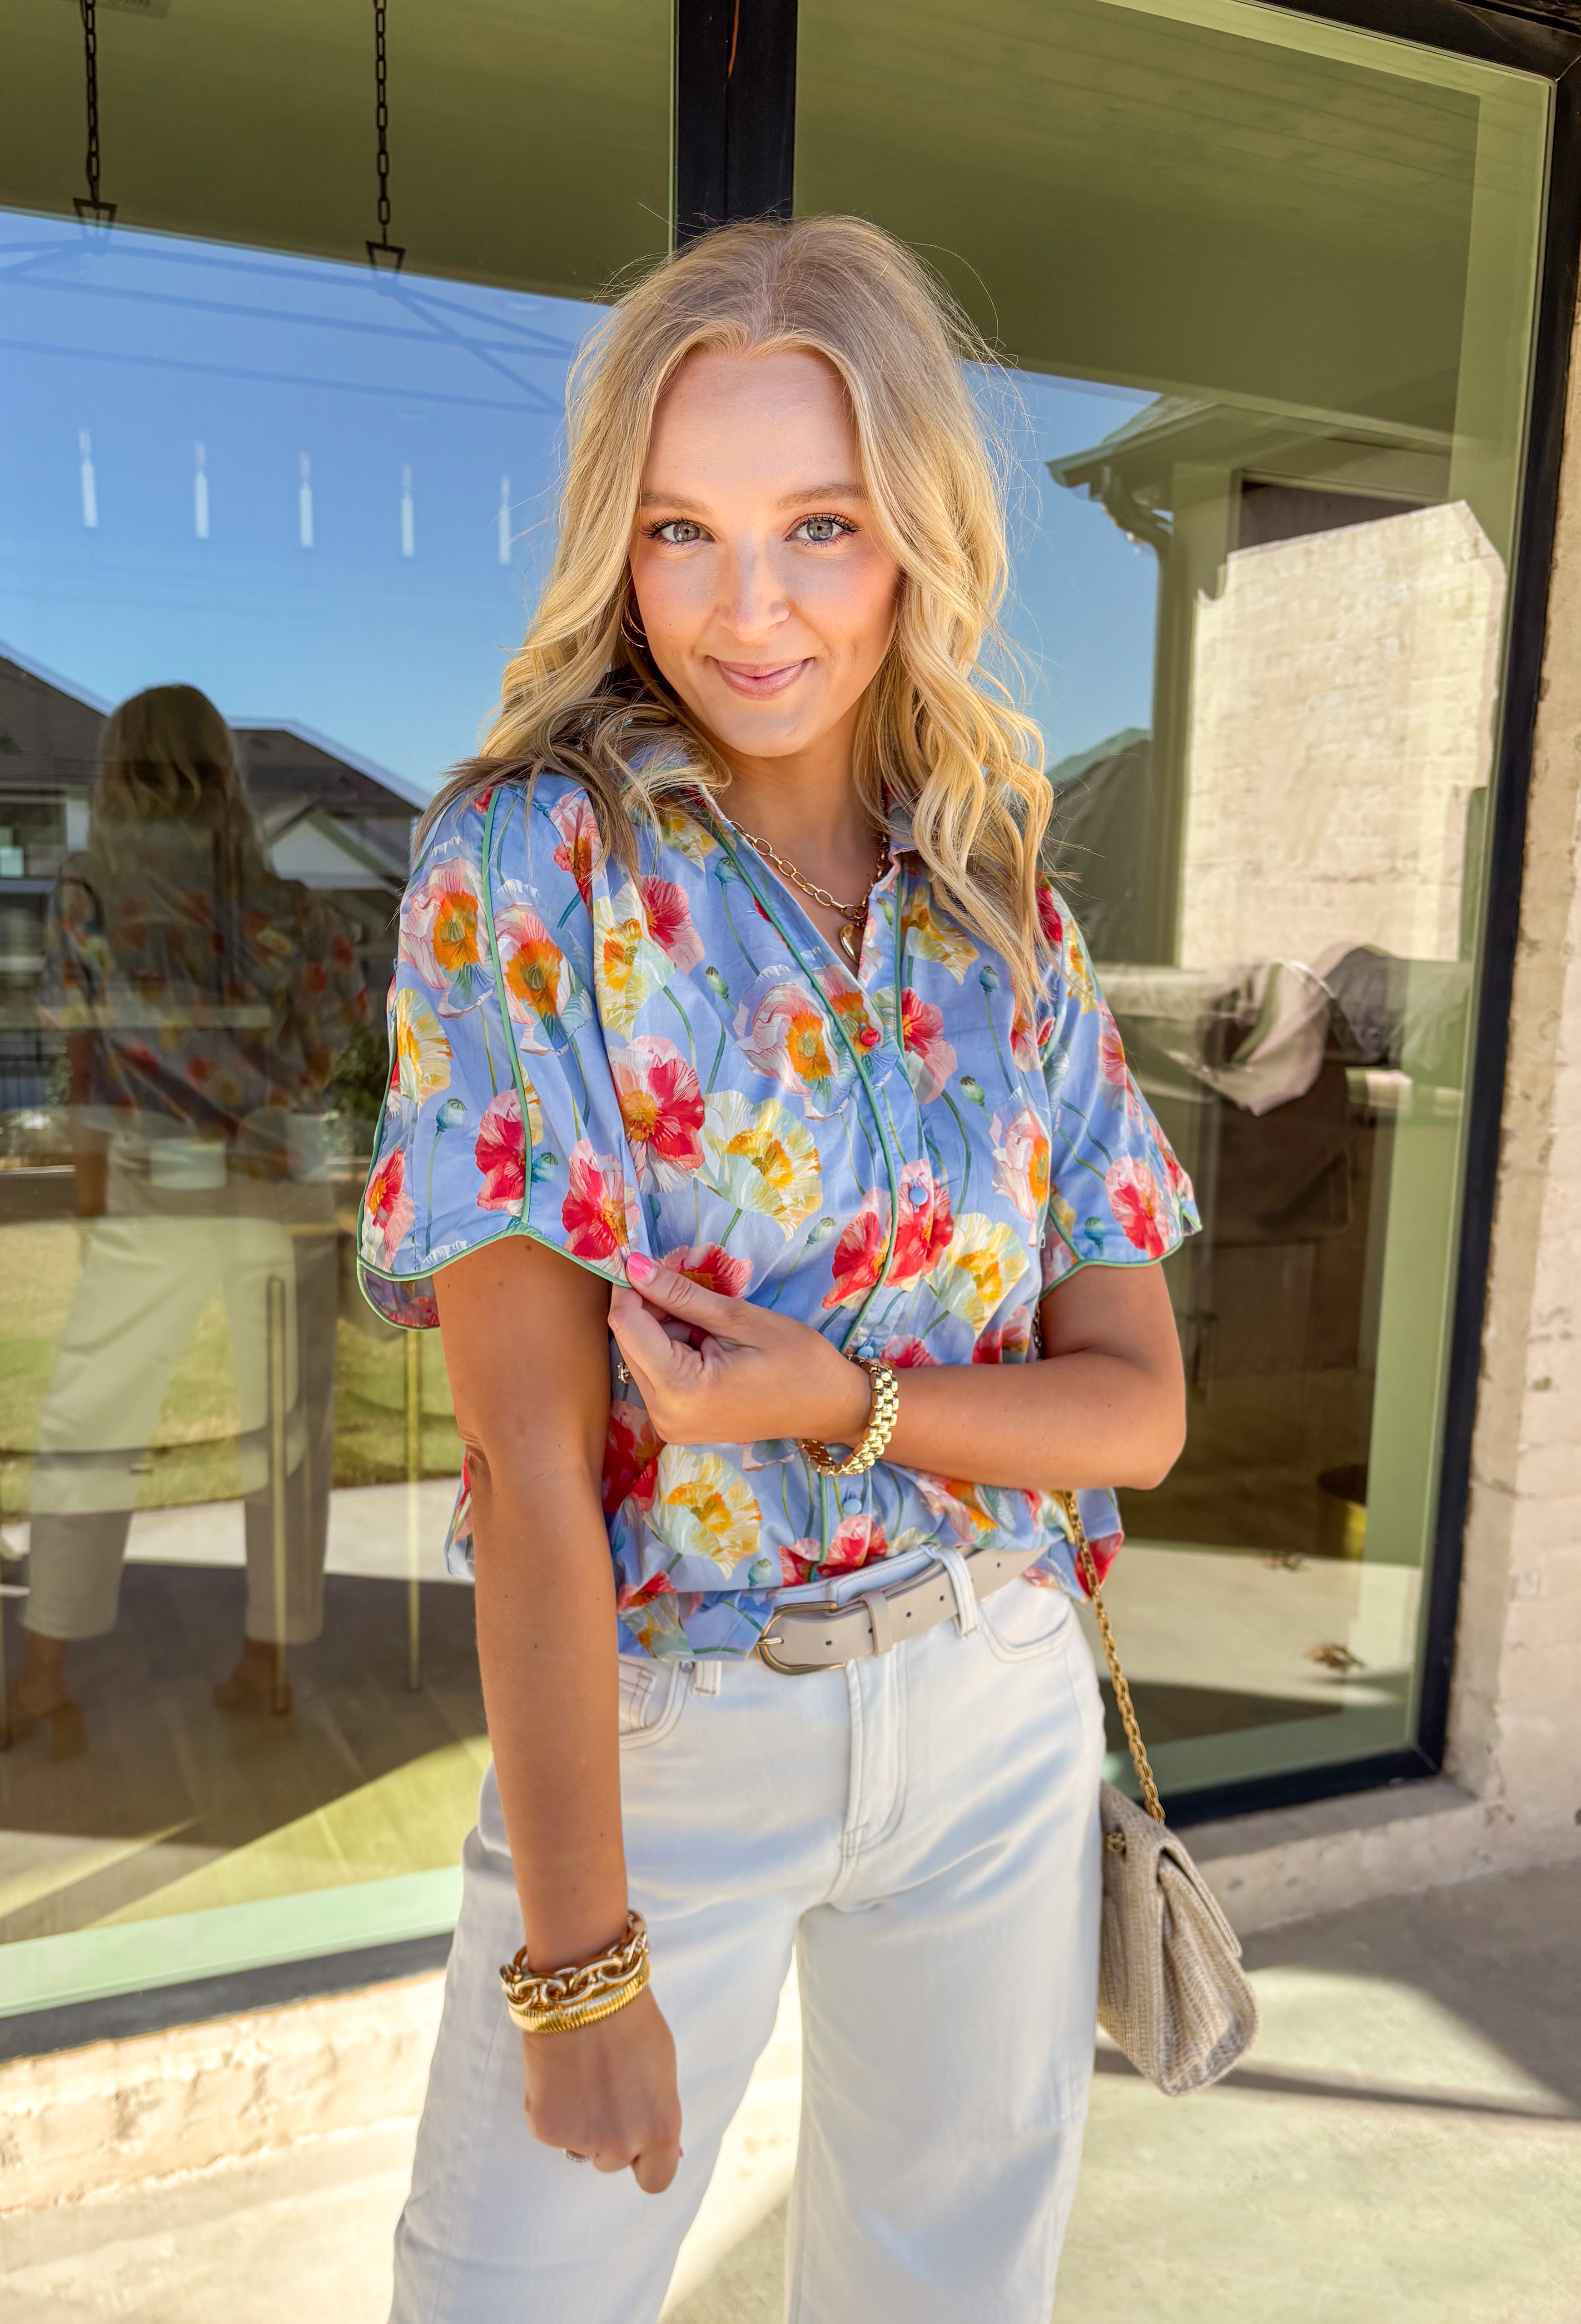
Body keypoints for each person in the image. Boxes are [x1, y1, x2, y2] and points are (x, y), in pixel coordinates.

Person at [360, 216, 1197, 2324]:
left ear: (910, 535)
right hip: (672, 1725)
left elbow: (1135, 1403)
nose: (748, 606)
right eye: (682, 530)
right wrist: (577, 1953)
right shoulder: (526, 871)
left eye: (817, 527)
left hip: (995, 1696)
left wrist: (843, 1396)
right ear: (614, 547)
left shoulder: (1000, 906)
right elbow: (532, 1471)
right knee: (505, 2297)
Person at [14, 684, 365, 1752]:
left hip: (155, 1184)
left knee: (89, 1428)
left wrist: (84, 1209)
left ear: (117, 772)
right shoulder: (289, 908)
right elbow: (328, 1045)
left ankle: (45, 1679)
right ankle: (267, 1664)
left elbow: (82, 1064)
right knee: (287, 1432)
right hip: (280, 1185)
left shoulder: (91, 895)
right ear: (226, 775)